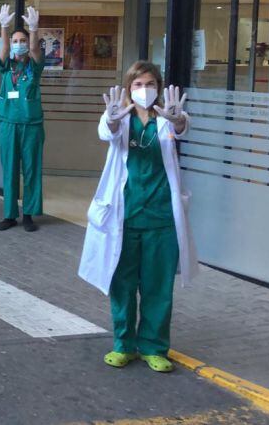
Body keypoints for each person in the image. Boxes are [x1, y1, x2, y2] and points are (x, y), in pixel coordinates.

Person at [79, 63, 198, 373]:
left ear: (158, 86)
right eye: (137, 84)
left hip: (161, 218)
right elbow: (107, 131)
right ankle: (124, 344)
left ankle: (154, 347)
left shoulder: (168, 118)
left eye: (149, 83)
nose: (143, 89)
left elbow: (184, 128)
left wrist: (178, 119)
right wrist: (112, 119)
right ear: (128, 88)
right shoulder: (121, 117)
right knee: (122, 285)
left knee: (158, 287)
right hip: (125, 216)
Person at [0, 4, 45, 232]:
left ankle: (29, 214)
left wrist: (33, 29)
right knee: (10, 169)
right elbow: (3, 51)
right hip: (8, 123)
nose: (19, 44)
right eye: (16, 41)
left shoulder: (34, 67)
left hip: (31, 124)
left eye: (22, 40)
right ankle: (9, 214)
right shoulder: (7, 67)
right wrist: (4, 27)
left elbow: (34, 49)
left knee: (32, 169)